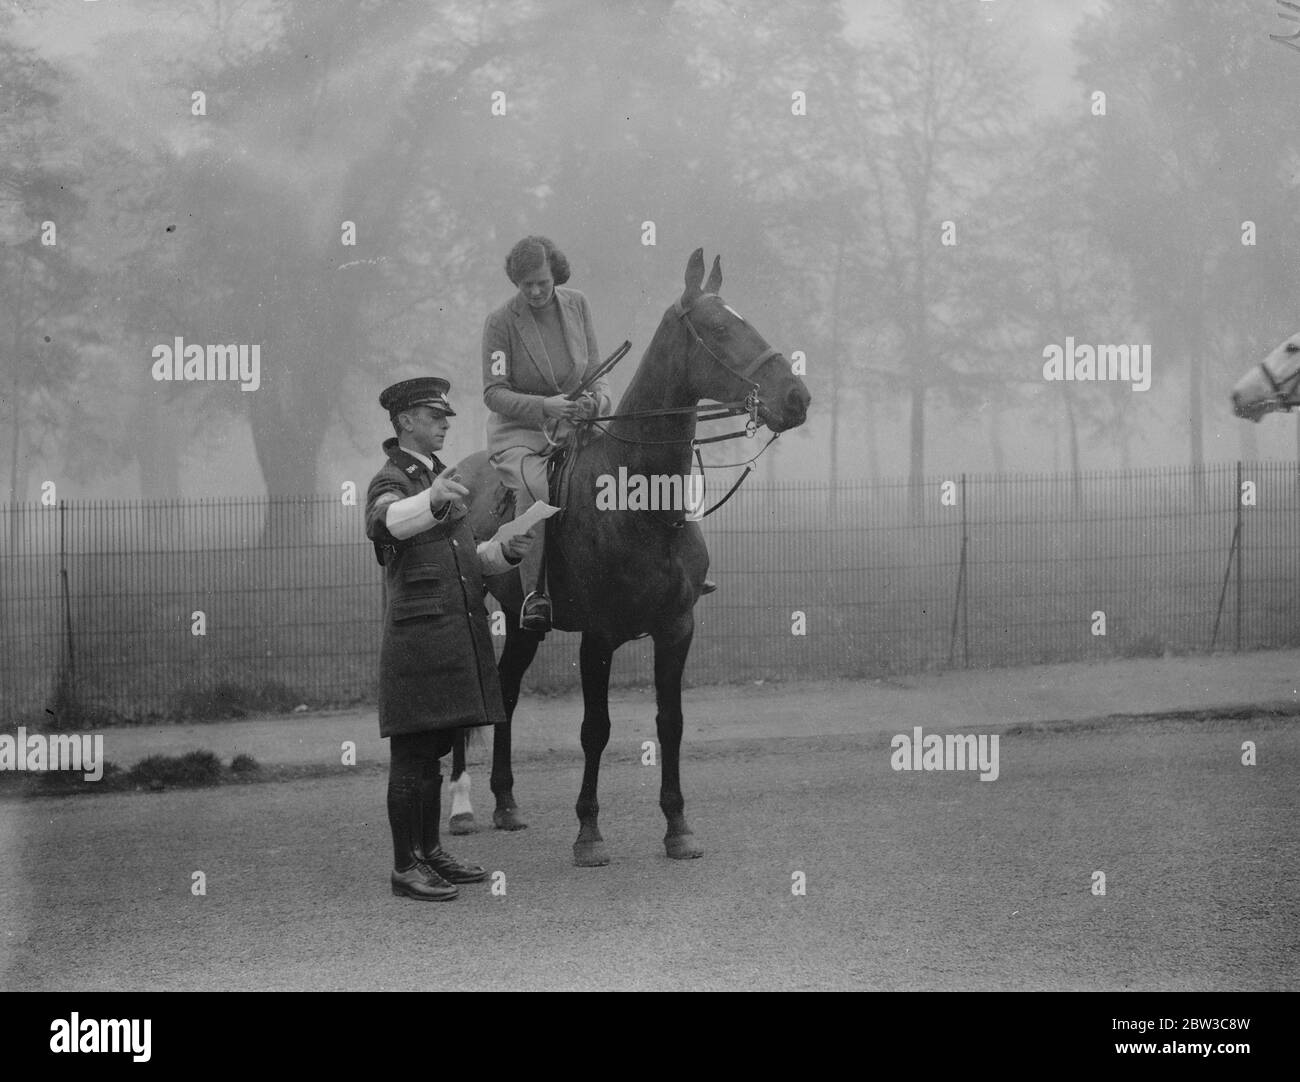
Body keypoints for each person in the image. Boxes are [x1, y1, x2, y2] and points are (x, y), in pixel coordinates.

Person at [364, 376, 533, 902]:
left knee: (436, 749)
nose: (443, 425)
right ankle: (402, 867)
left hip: (447, 633)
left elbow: (463, 559)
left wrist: (505, 552)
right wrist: (433, 499)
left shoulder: (440, 477)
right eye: (434, 417)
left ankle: (430, 852)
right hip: (417, 637)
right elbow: (382, 522)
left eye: (444, 418)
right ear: (405, 421)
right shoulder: (393, 478)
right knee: (412, 755)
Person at [482, 235, 612, 633]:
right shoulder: (500, 323)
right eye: (526, 286)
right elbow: (494, 392)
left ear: (554, 272)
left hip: (578, 427)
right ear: (516, 284)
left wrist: (595, 403)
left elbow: (596, 373)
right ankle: (534, 595)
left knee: (627, 469)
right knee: (536, 489)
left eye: (542, 281)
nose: (536, 291)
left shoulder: (578, 305)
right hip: (521, 434)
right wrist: (544, 406)